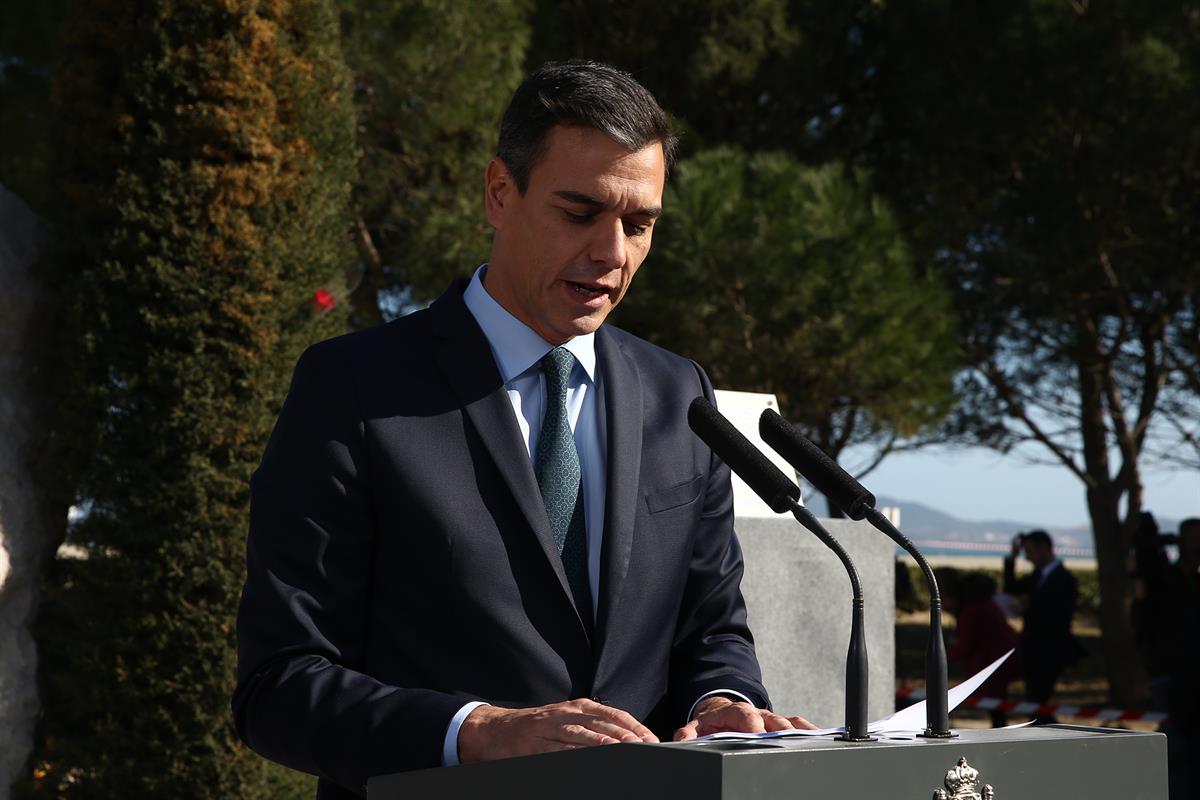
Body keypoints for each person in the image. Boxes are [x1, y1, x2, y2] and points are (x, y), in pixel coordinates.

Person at [232, 60, 813, 798]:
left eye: (639, 225)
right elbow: (279, 687)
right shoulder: (353, 387)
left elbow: (711, 629)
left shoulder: (679, 396)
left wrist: (722, 702)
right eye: (580, 214)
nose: (613, 254)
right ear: (500, 193)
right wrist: (474, 733)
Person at [1131, 514, 1200, 799]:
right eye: (1193, 540)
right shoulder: (1165, 581)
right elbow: (1143, 619)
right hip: (1171, 675)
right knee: (1178, 750)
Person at [1003, 529, 1082, 724]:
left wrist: (1026, 610)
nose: (1027, 557)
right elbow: (1011, 587)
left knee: (1037, 700)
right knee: (1034, 700)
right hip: (1032, 647)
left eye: (1029, 551)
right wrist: (1011, 557)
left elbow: (1060, 614)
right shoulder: (1038, 577)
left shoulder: (1064, 580)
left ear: (1044, 549)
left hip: (1051, 648)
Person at [940, 569, 1021, 727]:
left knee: (995, 705)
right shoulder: (978, 603)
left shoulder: (969, 612)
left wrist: (941, 660)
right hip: (1001, 657)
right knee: (996, 705)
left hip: (993, 661)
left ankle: (999, 734)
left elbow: (966, 645)